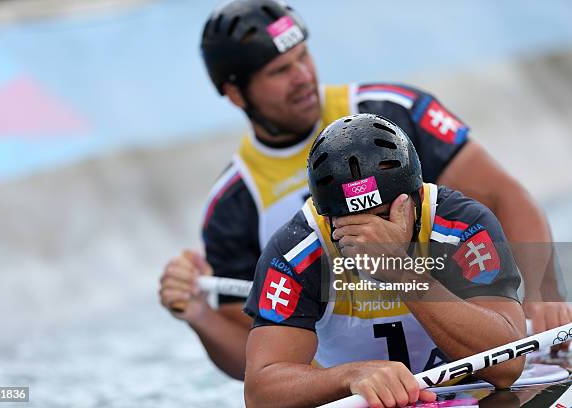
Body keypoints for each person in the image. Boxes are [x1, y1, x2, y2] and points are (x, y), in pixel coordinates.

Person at [159, 0, 567, 380]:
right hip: (359, 384)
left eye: (303, 57)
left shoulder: (393, 113)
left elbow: (502, 195)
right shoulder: (232, 204)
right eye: (279, 71)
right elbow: (259, 361)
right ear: (235, 93)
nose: (302, 77)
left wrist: (542, 293)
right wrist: (202, 316)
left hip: (462, 342)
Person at [243, 114, 526, 407]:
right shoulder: (296, 251)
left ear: (415, 198)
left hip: (465, 392)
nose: (370, 238)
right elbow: (259, 394)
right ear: (327, 218)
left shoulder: (461, 225)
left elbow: (507, 367)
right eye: (353, 223)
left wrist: (400, 270)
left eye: (381, 217)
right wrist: (351, 376)